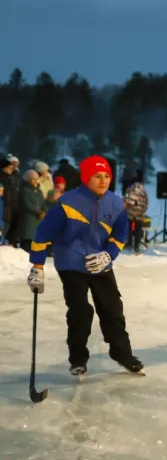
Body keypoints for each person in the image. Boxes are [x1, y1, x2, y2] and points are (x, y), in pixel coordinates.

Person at [26, 155, 143, 378]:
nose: (103, 180)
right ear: (86, 178)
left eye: (107, 176)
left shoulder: (116, 204)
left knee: (112, 310)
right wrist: (37, 267)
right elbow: (42, 234)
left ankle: (122, 354)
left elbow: (119, 236)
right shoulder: (68, 203)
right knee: (81, 311)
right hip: (71, 263)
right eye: (97, 176)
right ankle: (78, 359)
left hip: (100, 264)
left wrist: (108, 256)